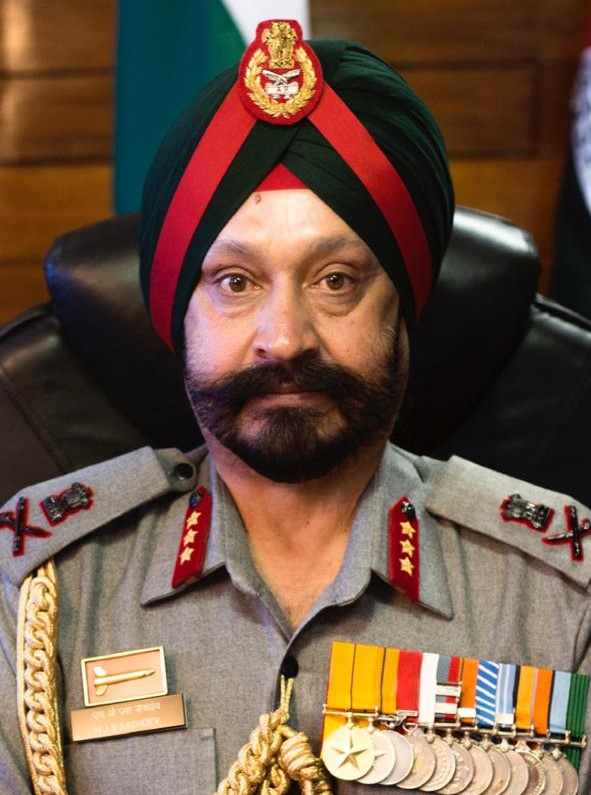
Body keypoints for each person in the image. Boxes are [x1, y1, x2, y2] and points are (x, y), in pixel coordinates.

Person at [0, 18, 590, 795]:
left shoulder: (558, 591)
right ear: (179, 315)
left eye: (336, 279)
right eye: (235, 282)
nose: (283, 337)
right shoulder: (36, 581)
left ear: (401, 309)